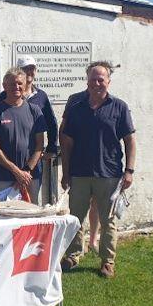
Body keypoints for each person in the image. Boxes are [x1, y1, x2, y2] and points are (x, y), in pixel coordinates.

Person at [60, 61, 136, 279]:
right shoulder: (76, 108)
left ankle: (107, 260)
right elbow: (67, 143)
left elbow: (130, 140)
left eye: (101, 79)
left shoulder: (119, 107)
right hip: (80, 173)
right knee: (75, 218)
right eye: (93, 79)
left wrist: (129, 171)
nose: (97, 83)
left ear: (108, 82)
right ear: (87, 81)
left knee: (108, 221)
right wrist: (66, 172)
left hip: (110, 174)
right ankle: (74, 254)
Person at [0, 68, 47, 203]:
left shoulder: (34, 111)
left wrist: (26, 171)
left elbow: (40, 145)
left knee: (31, 219)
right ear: (4, 86)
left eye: (19, 83)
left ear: (25, 85)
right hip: (4, 177)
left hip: (31, 177)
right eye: (12, 84)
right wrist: (16, 172)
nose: (16, 87)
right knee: (5, 220)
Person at [0, 56, 59, 197]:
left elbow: (51, 122)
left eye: (32, 68)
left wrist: (51, 148)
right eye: (26, 69)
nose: (30, 72)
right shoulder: (4, 96)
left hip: (32, 160)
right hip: (8, 162)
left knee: (31, 202)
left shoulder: (41, 96)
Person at [59, 89, 100, 253]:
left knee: (96, 205)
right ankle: (77, 247)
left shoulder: (109, 102)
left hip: (100, 167)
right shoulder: (75, 100)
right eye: (92, 78)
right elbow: (64, 130)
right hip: (78, 163)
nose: (95, 83)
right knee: (78, 210)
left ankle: (93, 240)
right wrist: (66, 167)